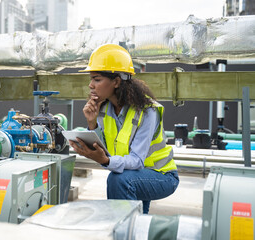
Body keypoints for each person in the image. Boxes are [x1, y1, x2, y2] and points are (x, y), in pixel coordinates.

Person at [69, 44, 179, 214]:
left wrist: (106, 161)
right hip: (133, 174)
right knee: (137, 218)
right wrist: (92, 124)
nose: (91, 85)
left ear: (116, 82)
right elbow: (105, 149)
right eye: (91, 79)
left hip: (161, 176)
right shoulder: (103, 110)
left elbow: (136, 160)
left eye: (97, 79)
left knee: (118, 180)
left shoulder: (147, 111)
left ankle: (119, 230)